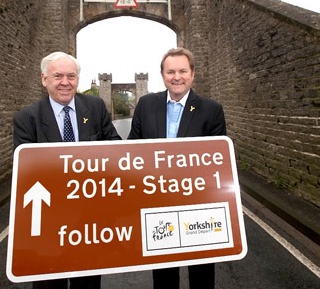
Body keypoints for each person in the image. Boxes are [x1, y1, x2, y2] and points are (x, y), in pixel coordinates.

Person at [13, 51, 121, 289]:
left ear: (77, 79)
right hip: (50, 223)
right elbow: (26, 170)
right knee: (50, 284)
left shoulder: (95, 107)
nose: (65, 82)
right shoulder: (27, 118)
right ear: (44, 79)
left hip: (89, 221)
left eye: (71, 76)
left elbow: (114, 149)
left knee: (88, 284)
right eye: (58, 76)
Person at [127, 47, 226, 289]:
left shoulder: (211, 110)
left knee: (201, 273)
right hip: (157, 203)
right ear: (162, 75)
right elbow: (132, 151)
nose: (177, 77)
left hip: (198, 206)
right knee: (163, 274)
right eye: (170, 71)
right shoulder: (146, 104)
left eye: (182, 71)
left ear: (192, 74)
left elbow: (217, 162)